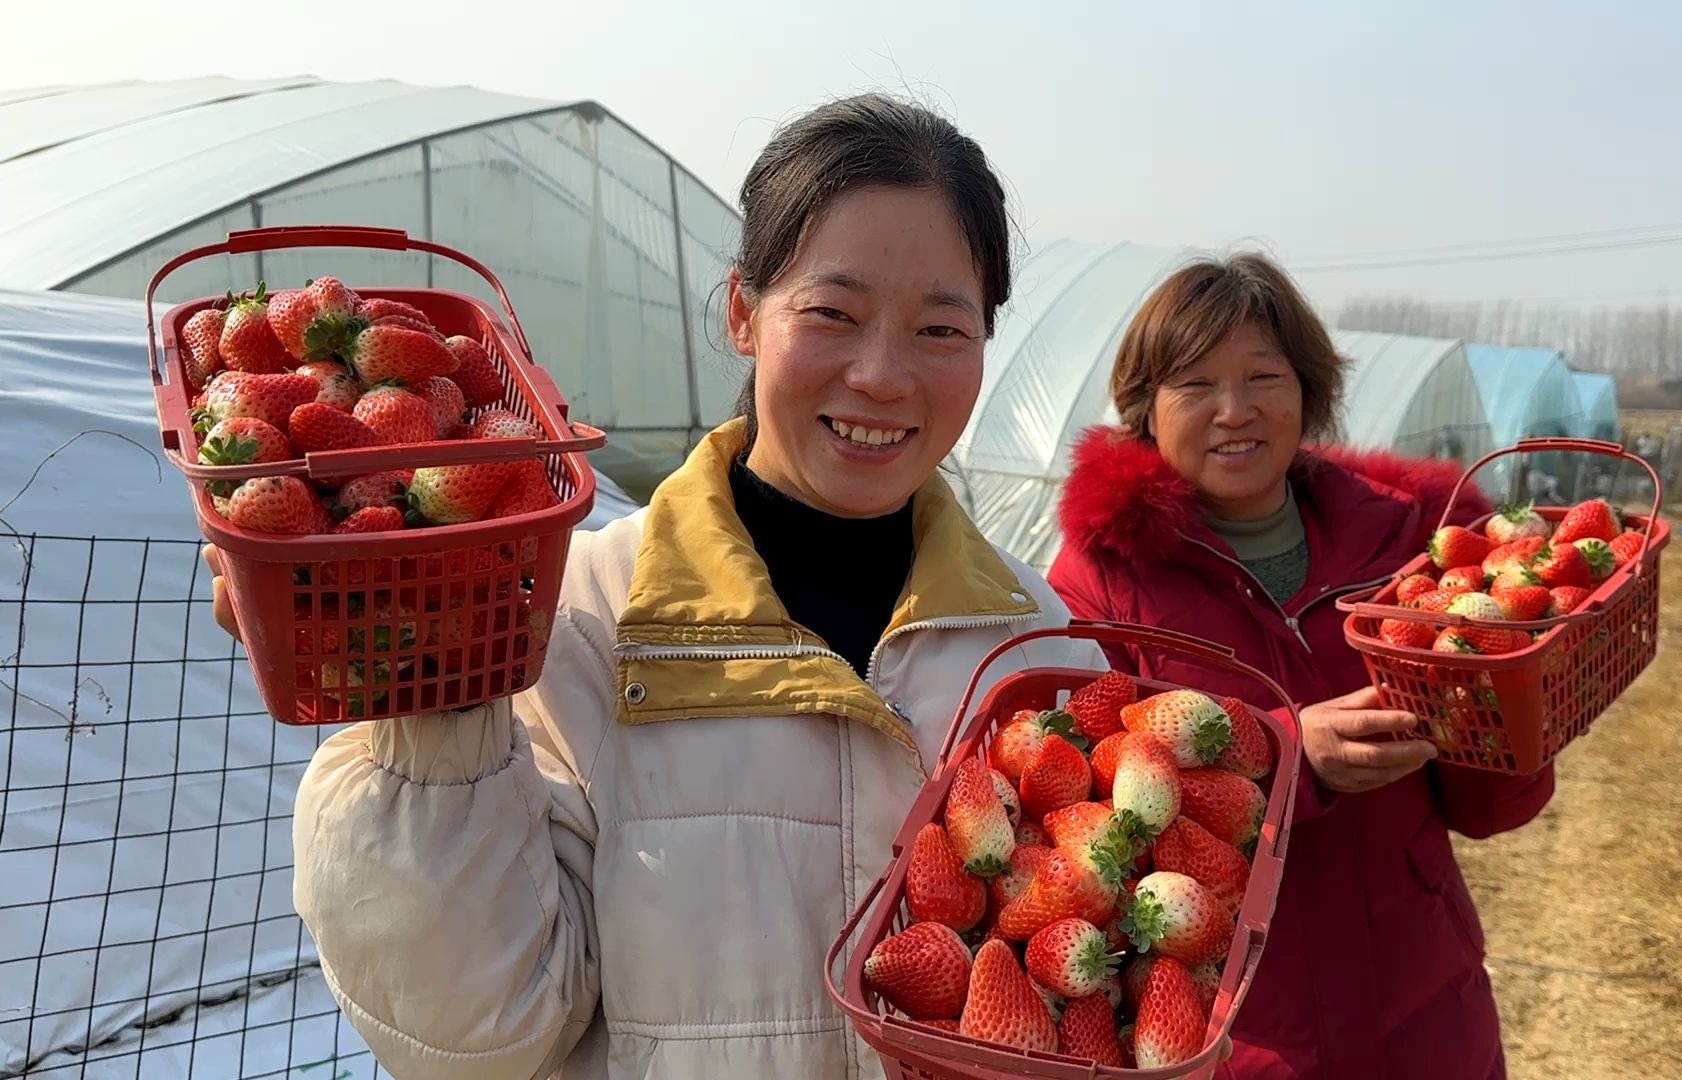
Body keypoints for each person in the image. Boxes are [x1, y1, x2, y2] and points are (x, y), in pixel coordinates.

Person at [204, 94, 1104, 1078]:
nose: (883, 375)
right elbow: (480, 1038)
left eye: (941, 329)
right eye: (833, 314)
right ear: (740, 312)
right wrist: (435, 715)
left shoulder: (1042, 642)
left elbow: (1085, 994)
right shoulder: (569, 616)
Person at [1048, 253, 1555, 1079]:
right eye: (1194, 385)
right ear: (1144, 409)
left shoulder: (1407, 541)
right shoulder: (1100, 579)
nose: (1234, 411)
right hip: (1245, 1034)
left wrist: (1516, 711)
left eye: (1262, 376)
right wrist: (1287, 758)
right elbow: (1091, 825)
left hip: (1424, 1006)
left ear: (1306, 388)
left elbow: (1488, 808)